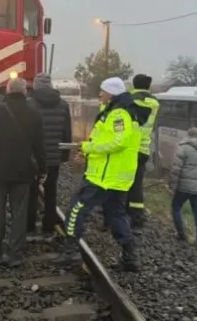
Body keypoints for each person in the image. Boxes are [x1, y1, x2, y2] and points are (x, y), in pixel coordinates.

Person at [54, 77, 141, 272]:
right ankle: (130, 257)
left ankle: (70, 251)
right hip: (116, 178)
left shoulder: (118, 115)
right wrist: (87, 153)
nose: (100, 94)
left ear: (111, 93)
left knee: (76, 209)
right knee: (116, 215)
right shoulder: (119, 112)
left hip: (104, 178)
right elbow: (105, 141)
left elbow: (118, 143)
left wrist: (88, 147)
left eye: (102, 91)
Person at [0, 77, 46, 266]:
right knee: (19, 213)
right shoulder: (34, 114)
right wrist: (42, 169)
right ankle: (15, 253)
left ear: (8, 90)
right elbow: (39, 147)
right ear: (25, 92)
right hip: (22, 171)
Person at [26, 73, 72, 240]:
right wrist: (65, 155)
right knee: (51, 191)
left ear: (36, 86)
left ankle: (29, 226)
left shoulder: (29, 103)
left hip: (33, 157)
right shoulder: (63, 105)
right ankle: (48, 226)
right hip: (54, 156)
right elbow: (67, 132)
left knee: (31, 192)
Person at [127, 74, 161, 230]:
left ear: (134, 85)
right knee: (137, 184)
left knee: (121, 182)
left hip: (127, 148)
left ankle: (120, 213)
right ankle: (137, 216)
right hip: (143, 150)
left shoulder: (128, 100)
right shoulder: (154, 103)